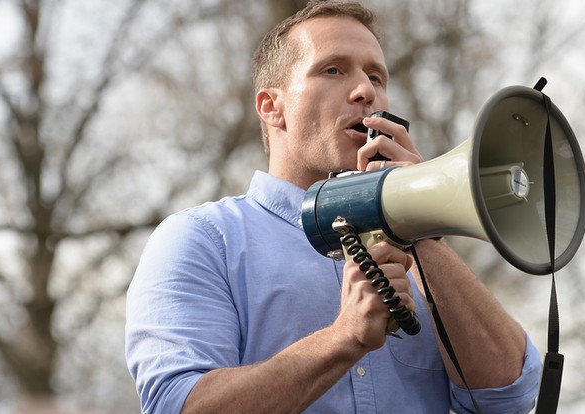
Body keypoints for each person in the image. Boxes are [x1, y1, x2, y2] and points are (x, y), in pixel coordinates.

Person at [125, 1, 542, 413]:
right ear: (272, 106)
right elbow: (179, 406)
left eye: (376, 76)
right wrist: (343, 338)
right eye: (333, 69)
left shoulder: (419, 252)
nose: (366, 91)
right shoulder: (204, 239)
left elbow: (508, 395)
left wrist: (416, 218)